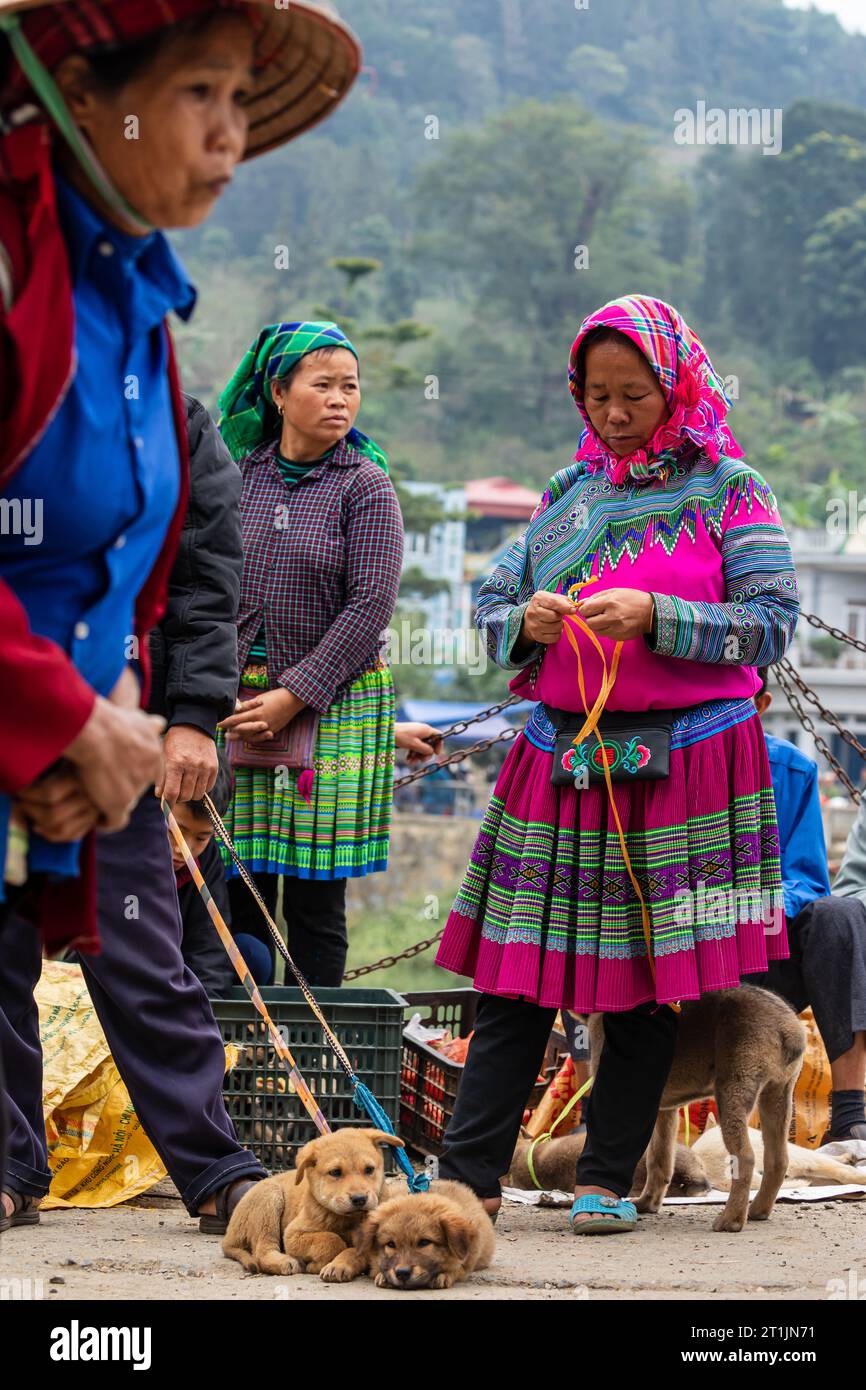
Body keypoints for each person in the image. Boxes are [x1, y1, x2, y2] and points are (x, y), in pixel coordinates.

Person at [0, 0, 361, 1236]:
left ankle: (213, 1171)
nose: (226, 134)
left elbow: (159, 568)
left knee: (142, 942)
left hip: (80, 734)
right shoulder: (14, 271)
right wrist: (54, 713)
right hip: (51, 719)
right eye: (199, 92)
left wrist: (114, 718)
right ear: (80, 93)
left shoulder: (143, 319)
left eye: (241, 103)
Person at [433, 294, 800, 1233]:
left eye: (633, 392)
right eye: (596, 394)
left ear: (675, 385)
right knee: (514, 975)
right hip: (562, 757)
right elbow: (490, 599)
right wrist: (526, 619)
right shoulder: (569, 493)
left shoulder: (731, 490)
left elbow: (771, 622)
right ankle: (467, 1174)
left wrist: (657, 616)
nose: (613, 412)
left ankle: (605, 1175)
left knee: (644, 977)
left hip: (685, 764)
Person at [215, 321, 404, 988]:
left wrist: (296, 693)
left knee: (317, 900)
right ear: (277, 389)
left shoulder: (367, 486)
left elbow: (370, 608)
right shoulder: (237, 474)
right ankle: (244, 1056)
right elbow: (202, 581)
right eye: (321, 384)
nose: (339, 399)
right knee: (239, 883)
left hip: (335, 702)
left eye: (350, 386)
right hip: (235, 699)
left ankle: (312, 1056)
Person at [742, 668, 866, 1143]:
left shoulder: (791, 770)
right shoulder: (661, 763)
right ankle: (600, 1109)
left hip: (761, 951)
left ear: (760, 705)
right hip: (683, 950)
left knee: (838, 915)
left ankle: (850, 1112)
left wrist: (741, 907)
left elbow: (808, 883)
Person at [169, 750, 272, 997]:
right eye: (176, 829)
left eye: (202, 837)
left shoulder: (206, 859)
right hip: (128, 974)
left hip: (178, 972)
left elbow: (210, 943)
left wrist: (204, 1014)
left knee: (252, 954)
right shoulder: (126, 846)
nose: (184, 849)